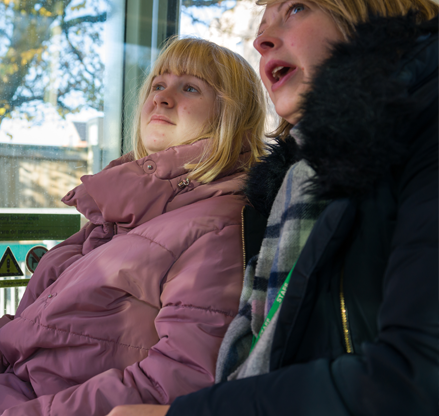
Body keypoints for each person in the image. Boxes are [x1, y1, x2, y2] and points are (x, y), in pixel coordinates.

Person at [108, 0, 438, 415]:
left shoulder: (419, 134)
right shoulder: (295, 181)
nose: (260, 40)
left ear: (372, 10)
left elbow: (416, 376)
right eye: (157, 84)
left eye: (295, 9)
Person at [0, 37, 267, 416]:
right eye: (158, 85)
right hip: (13, 388)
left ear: (232, 120)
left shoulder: (217, 226)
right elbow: (65, 317)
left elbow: (178, 378)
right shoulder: (129, 207)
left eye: (189, 88)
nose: (162, 98)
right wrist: (0, 344)